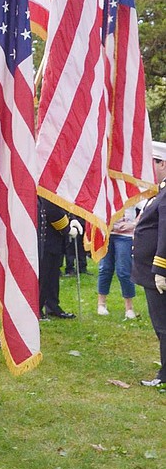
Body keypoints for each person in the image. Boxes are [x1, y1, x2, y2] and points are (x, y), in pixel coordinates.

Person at [131, 141, 166, 388]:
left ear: (162, 164)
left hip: (157, 271)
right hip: (151, 269)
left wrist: (160, 269)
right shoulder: (160, 191)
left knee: (162, 324)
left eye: (151, 163)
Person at [38, 197, 82, 319]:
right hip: (46, 240)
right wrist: (66, 228)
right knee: (44, 276)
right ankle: (37, 309)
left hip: (56, 241)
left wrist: (72, 218)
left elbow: (64, 204)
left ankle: (52, 306)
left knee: (52, 276)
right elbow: (51, 209)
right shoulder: (45, 186)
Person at [96, 208, 137, 318]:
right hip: (107, 232)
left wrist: (134, 223)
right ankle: (101, 304)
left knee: (123, 270)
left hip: (125, 235)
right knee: (104, 268)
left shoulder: (133, 191)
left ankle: (129, 308)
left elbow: (146, 206)